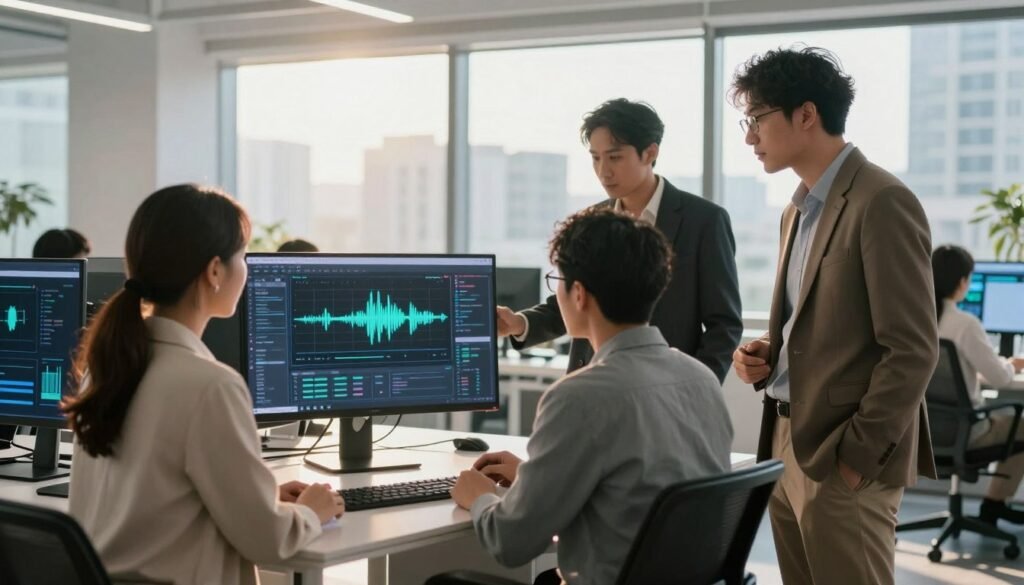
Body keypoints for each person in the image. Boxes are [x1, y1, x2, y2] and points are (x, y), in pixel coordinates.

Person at [63, 184, 344, 585]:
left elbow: (154, 501)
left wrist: (258, 498)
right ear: (214, 271)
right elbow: (268, 541)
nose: (247, 269)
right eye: (243, 256)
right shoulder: (210, 386)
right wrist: (312, 511)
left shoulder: (108, 366)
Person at [729, 47, 937, 585]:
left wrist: (857, 458)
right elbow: (820, 322)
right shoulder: (795, 210)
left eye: (756, 119)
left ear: (806, 114)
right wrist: (768, 353)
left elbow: (912, 348)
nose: (750, 138)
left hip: (841, 454)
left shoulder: (882, 199)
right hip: (784, 439)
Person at [452, 207, 733, 585]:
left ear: (579, 294)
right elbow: (635, 489)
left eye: (558, 281)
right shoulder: (701, 379)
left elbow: (511, 542)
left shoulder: (578, 397)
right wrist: (533, 479)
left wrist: (480, 497)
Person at [498, 98, 742, 382]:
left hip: (665, 386)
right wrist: (520, 323)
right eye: (595, 158)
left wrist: (695, 388)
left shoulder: (703, 220)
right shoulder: (592, 219)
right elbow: (577, 300)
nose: (604, 171)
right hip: (592, 382)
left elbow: (724, 325)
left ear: (650, 153)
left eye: (614, 157)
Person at [932, 244, 1024, 524]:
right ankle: (994, 505)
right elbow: (1000, 378)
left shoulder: (917, 319)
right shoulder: (965, 324)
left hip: (925, 431)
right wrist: (1014, 364)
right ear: (962, 282)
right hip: (966, 432)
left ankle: (992, 506)